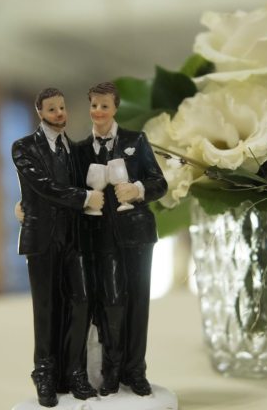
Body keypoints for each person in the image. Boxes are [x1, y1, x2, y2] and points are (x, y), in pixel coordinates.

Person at [11, 87, 104, 407]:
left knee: (82, 301)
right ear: (40, 112)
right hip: (43, 239)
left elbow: (88, 180)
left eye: (62, 108)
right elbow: (44, 186)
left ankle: (74, 370)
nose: (60, 114)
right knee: (47, 309)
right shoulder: (23, 148)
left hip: (74, 237)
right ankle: (45, 373)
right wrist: (83, 198)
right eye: (52, 110)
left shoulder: (76, 149)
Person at [75, 81, 167, 396]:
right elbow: (70, 191)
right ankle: (111, 370)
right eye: (94, 105)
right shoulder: (82, 149)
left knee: (138, 304)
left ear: (115, 108)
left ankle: (135, 371)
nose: (98, 111)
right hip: (100, 237)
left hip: (137, 234)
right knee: (111, 303)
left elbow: (160, 183)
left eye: (104, 106)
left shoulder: (135, 140)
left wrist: (137, 190)